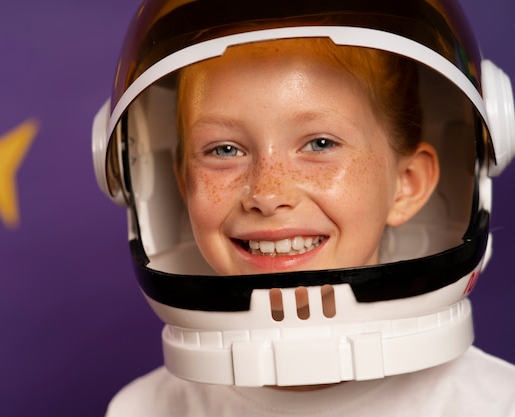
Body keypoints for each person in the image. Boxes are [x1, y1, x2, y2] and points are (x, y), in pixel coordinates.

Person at [92, 0, 515, 415]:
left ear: (407, 185)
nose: (268, 193)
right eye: (224, 149)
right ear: (182, 184)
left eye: (320, 144)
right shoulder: (142, 410)